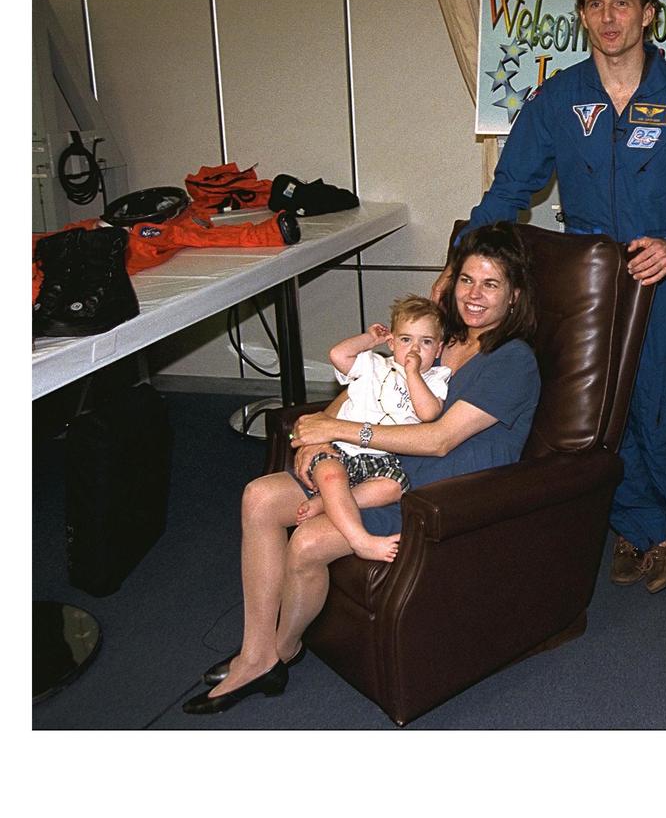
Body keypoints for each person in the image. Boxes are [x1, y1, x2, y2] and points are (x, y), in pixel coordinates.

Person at [438, 0, 666, 594]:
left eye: (622, 3)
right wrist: (461, 258)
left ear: (648, 14)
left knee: (655, 410)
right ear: (581, 16)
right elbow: (509, 187)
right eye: (596, 4)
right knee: (592, 412)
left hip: (658, 277)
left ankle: (646, 525)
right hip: (585, 282)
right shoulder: (556, 97)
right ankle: (649, 529)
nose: (609, 17)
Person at [183, 223, 540, 714]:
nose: (473, 295)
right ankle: (255, 650)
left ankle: (277, 653)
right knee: (259, 497)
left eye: (491, 284)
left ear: (515, 296)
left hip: (432, 491)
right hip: (378, 463)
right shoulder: (438, 335)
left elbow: (438, 441)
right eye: (466, 280)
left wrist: (343, 434)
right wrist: (321, 430)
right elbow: (369, 387)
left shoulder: (512, 360)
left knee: (308, 541)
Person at [292, 295, 453, 563]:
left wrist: (413, 375)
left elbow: (428, 413)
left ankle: (326, 503)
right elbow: (337, 354)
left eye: (425, 342)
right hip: (341, 448)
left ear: (438, 349)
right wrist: (369, 339)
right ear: (391, 343)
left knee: (393, 488)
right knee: (331, 476)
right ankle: (361, 540)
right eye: (405, 340)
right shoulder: (373, 363)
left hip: (380, 456)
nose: (415, 349)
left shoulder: (435, 379)